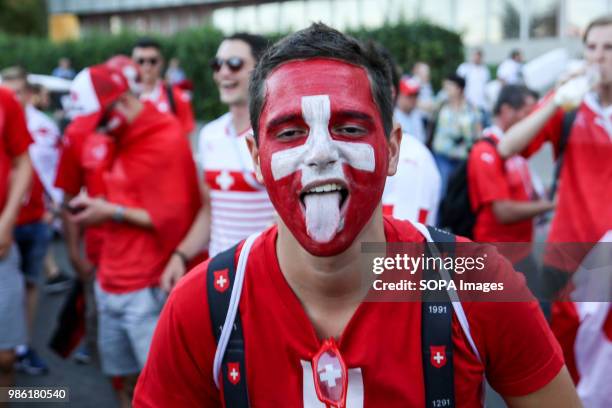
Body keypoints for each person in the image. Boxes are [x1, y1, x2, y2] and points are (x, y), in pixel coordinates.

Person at [134, 24, 580, 407]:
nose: (321, 154)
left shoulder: (476, 281)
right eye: (290, 132)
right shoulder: (201, 307)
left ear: (392, 150)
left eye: (349, 127)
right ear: (255, 156)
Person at [64, 61, 201, 406]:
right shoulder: (114, 133)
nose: (95, 131)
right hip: (108, 280)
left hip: (147, 288)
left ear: (122, 103)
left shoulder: (165, 136)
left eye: (99, 121)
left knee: (163, 391)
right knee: (124, 384)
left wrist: (110, 211)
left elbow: (178, 217)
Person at [497, 15, 612, 394]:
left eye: (609, 48)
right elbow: (507, 146)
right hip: (571, 261)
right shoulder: (569, 105)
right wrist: (556, 100)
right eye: (592, 48)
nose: (598, 57)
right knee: (567, 370)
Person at [1, 67, 65, 375]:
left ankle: (23, 345)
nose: (14, 96)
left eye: (18, 91)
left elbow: (49, 168)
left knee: (29, 282)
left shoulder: (42, 125)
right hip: (13, 223)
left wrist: (53, 207)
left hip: (32, 220)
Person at [468, 85, 554, 289]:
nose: (533, 120)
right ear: (506, 111)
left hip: (522, 252)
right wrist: (551, 205)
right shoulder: (485, 151)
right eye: (527, 113)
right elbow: (503, 212)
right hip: (498, 255)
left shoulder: (517, 147)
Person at [0, 86, 33, 396]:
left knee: (5, 357)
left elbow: (24, 161)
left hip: (1, 246)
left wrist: (7, 220)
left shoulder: (5, 99)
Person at [431, 73, 482, 197]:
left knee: (460, 194)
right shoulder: (441, 104)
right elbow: (427, 107)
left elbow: (478, 134)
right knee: (442, 192)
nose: (446, 90)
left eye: (449, 87)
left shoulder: (472, 109)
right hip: (442, 156)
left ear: (459, 89)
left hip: (463, 159)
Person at [132, 38, 195, 136]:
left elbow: (186, 140)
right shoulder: (124, 100)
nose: (147, 66)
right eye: (140, 61)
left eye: (152, 61)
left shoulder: (177, 97)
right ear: (132, 62)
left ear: (161, 62)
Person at [393, 76, 427, 143]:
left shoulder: (417, 114)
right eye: (410, 95)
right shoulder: (392, 117)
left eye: (416, 95)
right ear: (399, 95)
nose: (414, 99)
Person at [457, 49, 491, 116]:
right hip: (468, 104)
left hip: (482, 105)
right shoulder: (464, 68)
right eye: (475, 55)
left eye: (479, 56)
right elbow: (458, 85)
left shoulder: (485, 70)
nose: (477, 58)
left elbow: (487, 88)